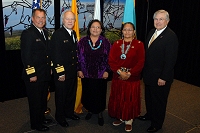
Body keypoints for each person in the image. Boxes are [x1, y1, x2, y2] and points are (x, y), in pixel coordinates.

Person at [138, 10, 179, 132]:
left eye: (161, 19)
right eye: (156, 19)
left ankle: (157, 123)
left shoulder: (171, 36)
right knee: (150, 98)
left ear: (167, 21)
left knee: (159, 102)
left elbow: (171, 60)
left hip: (161, 78)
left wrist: (164, 77)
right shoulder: (152, 32)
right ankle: (150, 115)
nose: (158, 21)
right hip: (149, 75)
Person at [108, 22, 145, 132]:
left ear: (134, 32)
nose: (127, 32)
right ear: (122, 31)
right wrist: (120, 72)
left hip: (132, 78)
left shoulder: (139, 44)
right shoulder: (117, 43)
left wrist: (129, 73)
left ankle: (129, 120)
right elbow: (111, 60)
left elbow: (141, 62)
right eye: (125, 29)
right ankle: (120, 117)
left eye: (130, 30)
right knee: (118, 97)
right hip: (118, 76)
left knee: (129, 99)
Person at [20, 9, 52, 131]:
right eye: (38, 17)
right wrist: (31, 74)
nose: (41, 20)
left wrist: (49, 68)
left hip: (44, 74)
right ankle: (36, 124)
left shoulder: (44, 32)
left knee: (43, 99)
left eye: (43, 17)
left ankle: (42, 118)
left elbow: (46, 53)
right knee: (35, 101)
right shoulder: (28, 33)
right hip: (34, 76)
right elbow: (26, 57)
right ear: (32, 18)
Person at [77, 19, 111, 126]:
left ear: (101, 30)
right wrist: (79, 69)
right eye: (93, 27)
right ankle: (90, 110)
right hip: (86, 73)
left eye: (98, 27)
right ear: (89, 29)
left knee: (100, 94)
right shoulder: (82, 41)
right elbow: (78, 57)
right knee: (88, 93)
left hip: (101, 74)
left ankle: (100, 112)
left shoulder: (106, 42)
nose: (95, 29)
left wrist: (107, 70)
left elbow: (110, 58)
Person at [50, 10, 80, 127]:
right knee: (61, 96)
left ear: (74, 21)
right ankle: (60, 117)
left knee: (71, 95)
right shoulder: (58, 34)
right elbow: (55, 55)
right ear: (63, 20)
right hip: (62, 73)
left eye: (72, 19)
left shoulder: (72, 33)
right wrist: (60, 73)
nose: (70, 21)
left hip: (72, 71)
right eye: (67, 19)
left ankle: (69, 113)